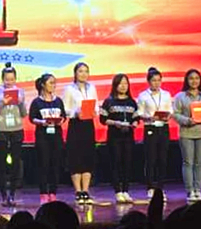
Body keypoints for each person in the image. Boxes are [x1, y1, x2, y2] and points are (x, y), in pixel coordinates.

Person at [0, 63, 28, 207]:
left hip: (17, 129)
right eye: (7, 79)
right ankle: (3, 195)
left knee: (16, 162)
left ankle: (12, 194)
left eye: (12, 79)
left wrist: (21, 103)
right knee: (1, 163)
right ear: (2, 79)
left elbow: (24, 114)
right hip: (1, 130)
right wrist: (2, 103)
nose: (9, 82)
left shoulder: (20, 92)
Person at [172, 69, 201, 202]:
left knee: (199, 163)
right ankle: (190, 191)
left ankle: (198, 190)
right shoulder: (180, 96)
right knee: (188, 163)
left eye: (197, 78)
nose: (194, 81)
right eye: (191, 78)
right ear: (186, 80)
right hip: (186, 133)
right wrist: (187, 120)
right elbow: (175, 114)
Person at [62, 62, 98, 205]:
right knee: (76, 157)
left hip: (88, 124)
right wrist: (75, 113)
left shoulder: (92, 88)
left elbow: (96, 104)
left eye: (86, 71)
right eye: (80, 71)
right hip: (76, 125)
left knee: (88, 156)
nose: (83, 74)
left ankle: (86, 191)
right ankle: (78, 191)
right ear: (75, 73)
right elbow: (65, 109)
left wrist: (95, 111)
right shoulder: (69, 89)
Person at [100, 73, 139, 203]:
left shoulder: (132, 102)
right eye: (120, 83)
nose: (123, 86)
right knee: (115, 163)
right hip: (114, 137)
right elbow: (103, 119)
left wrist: (134, 123)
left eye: (126, 83)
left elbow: (136, 118)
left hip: (128, 137)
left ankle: (126, 191)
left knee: (127, 163)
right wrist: (115, 123)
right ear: (115, 85)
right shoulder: (109, 101)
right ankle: (118, 191)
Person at [136, 67, 173, 200]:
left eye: (158, 80)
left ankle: (160, 188)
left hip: (163, 127)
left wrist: (168, 116)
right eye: (153, 80)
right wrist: (148, 117)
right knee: (151, 159)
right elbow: (139, 112)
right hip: (150, 128)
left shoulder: (166, 94)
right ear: (148, 81)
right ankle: (150, 187)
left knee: (162, 159)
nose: (156, 83)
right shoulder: (143, 95)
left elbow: (170, 110)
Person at [29, 73, 66, 205]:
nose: (53, 85)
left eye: (54, 83)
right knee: (44, 164)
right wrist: (42, 122)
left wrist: (60, 120)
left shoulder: (58, 101)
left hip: (56, 136)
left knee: (55, 164)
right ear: (43, 85)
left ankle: (53, 193)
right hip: (42, 136)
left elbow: (64, 116)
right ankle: (43, 193)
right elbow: (32, 118)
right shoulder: (36, 102)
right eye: (51, 83)